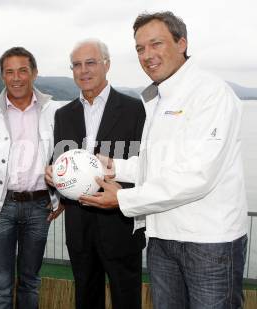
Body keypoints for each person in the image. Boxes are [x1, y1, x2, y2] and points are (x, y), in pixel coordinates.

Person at [79, 12, 249, 309]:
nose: (147, 55)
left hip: (209, 243)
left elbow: (198, 175)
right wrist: (116, 167)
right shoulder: (158, 99)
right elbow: (160, 164)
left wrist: (123, 199)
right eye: (140, 49)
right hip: (160, 238)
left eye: (156, 44)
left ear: (182, 43)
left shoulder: (211, 93)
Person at [45, 39, 146, 309]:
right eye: (77, 65)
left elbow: (144, 164)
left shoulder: (134, 109)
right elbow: (59, 159)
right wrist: (51, 174)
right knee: (86, 298)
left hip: (120, 225)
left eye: (90, 62)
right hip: (79, 226)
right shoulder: (63, 114)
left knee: (127, 299)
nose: (83, 70)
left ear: (107, 65)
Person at [0, 47, 64, 309]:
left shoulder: (54, 111)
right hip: (1, 206)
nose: (16, 78)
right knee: (0, 284)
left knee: (30, 281)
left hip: (40, 207)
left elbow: (65, 158)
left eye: (22, 70)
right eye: (9, 72)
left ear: (34, 73)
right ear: (2, 76)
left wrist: (63, 198)